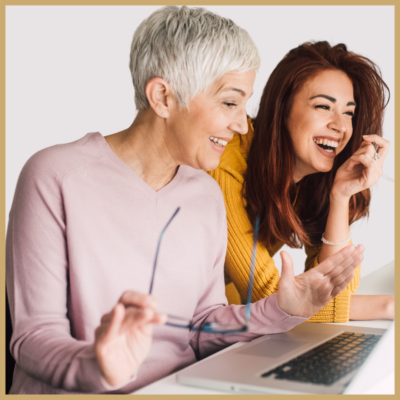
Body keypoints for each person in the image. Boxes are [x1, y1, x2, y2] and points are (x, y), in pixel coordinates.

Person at [6, 9, 364, 394]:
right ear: (162, 96)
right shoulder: (54, 176)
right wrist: (98, 365)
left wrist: (283, 309)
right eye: (230, 103)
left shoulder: (204, 193)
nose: (243, 125)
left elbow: (199, 328)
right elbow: (33, 337)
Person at [209, 41, 392, 322]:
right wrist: (386, 307)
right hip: (164, 330)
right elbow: (281, 304)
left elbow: (328, 295)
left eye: (349, 112)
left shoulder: (310, 174)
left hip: (231, 320)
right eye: (323, 106)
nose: (340, 126)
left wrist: (341, 196)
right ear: (281, 109)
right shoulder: (226, 166)